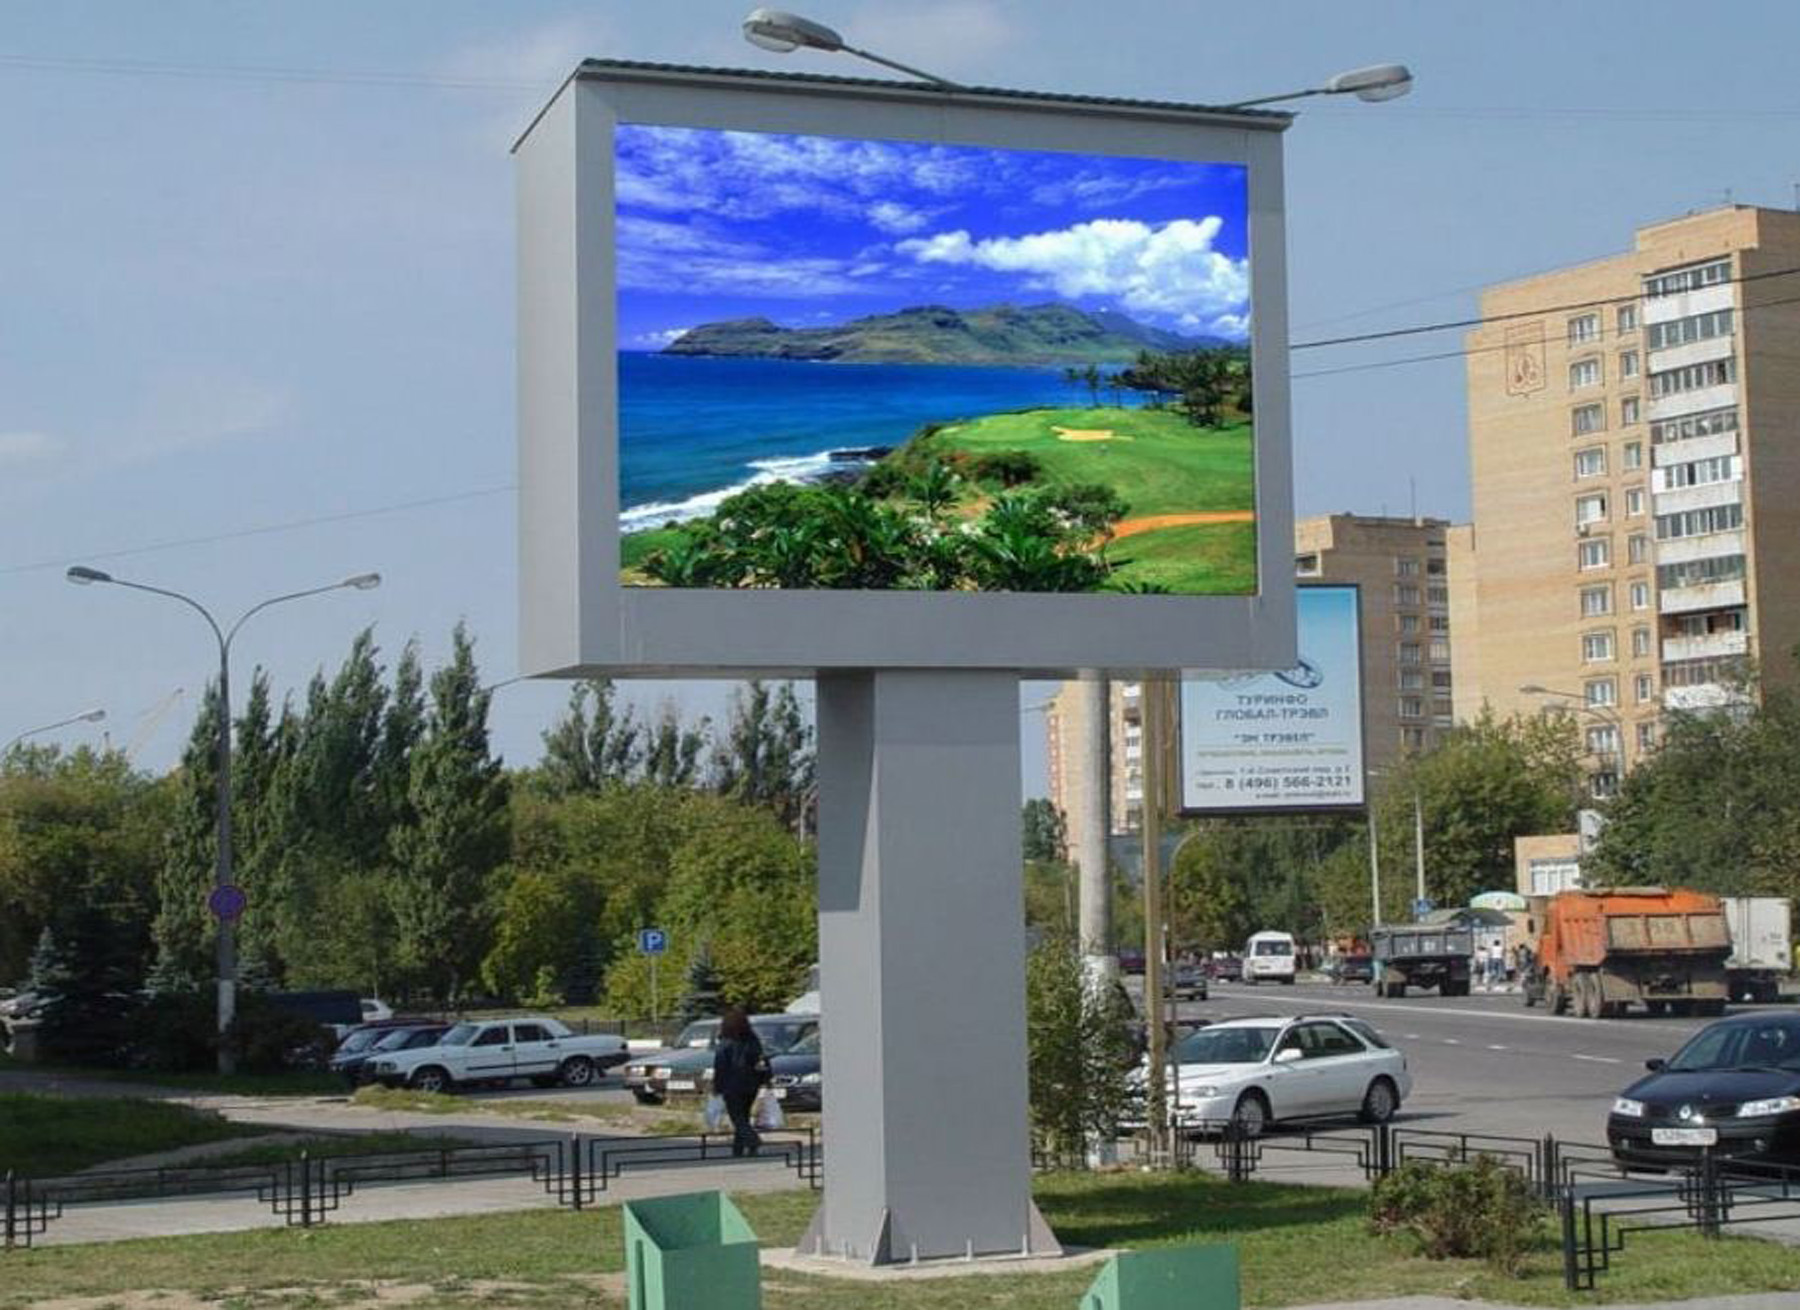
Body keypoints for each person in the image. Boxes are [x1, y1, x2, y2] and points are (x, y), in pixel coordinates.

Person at [712, 1008, 769, 1158]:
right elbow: (761, 1060)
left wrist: (717, 1086)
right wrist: (764, 1079)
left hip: (731, 1085)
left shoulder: (725, 1042)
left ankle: (752, 1140)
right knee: (744, 1115)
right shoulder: (753, 1040)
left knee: (737, 1118)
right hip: (751, 1084)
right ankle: (739, 1149)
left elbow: (720, 1065)